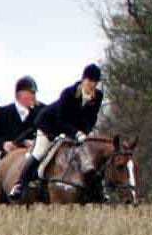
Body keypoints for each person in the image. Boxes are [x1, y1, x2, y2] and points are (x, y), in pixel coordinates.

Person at [12, 64, 103, 199]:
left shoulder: (98, 96)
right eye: (90, 81)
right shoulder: (69, 93)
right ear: (83, 80)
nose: (92, 85)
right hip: (49, 125)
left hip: (72, 129)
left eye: (95, 82)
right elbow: (62, 119)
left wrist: (85, 132)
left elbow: (92, 118)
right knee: (39, 152)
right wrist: (77, 133)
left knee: (86, 156)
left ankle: (97, 192)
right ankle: (19, 184)